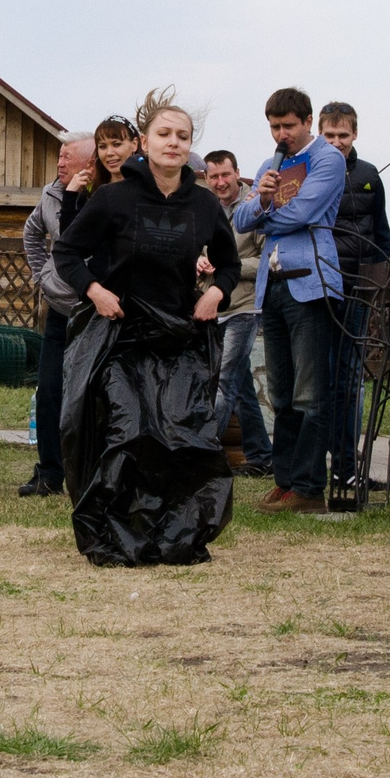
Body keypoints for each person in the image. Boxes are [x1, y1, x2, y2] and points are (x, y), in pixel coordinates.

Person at [53, 92, 240, 565]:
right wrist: (95, 291)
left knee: (183, 433)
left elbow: (230, 264)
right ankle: (118, 531)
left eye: (182, 136)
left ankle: (175, 531)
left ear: (190, 145)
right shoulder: (115, 198)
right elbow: (68, 253)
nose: (173, 143)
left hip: (179, 337)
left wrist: (216, 293)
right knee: (129, 429)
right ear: (144, 142)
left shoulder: (203, 204)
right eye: (164, 134)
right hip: (120, 335)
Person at [233, 87, 349, 510]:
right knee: (280, 393)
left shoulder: (327, 159)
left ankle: (308, 486)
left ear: (306, 122)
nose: (281, 134)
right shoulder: (271, 164)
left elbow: (304, 213)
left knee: (308, 393)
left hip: (311, 282)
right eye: (274, 127)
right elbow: (241, 218)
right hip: (273, 285)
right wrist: (261, 199)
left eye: (288, 126)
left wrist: (264, 214)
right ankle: (284, 480)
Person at [320, 101, 390, 491]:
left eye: (342, 136)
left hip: (358, 289)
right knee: (321, 378)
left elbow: (382, 234)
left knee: (348, 379)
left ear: (355, 135)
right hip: (320, 287)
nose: (336, 142)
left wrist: (376, 278)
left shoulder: (368, 175)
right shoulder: (310, 170)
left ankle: (347, 466)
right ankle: (318, 465)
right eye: (329, 136)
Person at [20, 133, 91, 497]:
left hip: (97, 312)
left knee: (91, 395)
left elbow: (79, 241)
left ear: (90, 164)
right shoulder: (51, 193)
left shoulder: (104, 196)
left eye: (67, 157)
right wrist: (42, 276)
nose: (60, 163)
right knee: (49, 391)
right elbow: (31, 234)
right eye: (59, 157)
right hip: (60, 309)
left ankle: (92, 473)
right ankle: (49, 473)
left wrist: (76, 198)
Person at [203, 151, 275, 479]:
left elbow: (267, 261)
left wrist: (227, 267)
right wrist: (197, 262)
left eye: (225, 175)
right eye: (214, 176)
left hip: (245, 307)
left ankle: (199, 454)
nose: (220, 182)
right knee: (243, 385)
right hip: (213, 306)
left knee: (225, 381)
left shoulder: (254, 208)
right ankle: (261, 455)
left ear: (237, 174)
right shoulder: (203, 210)